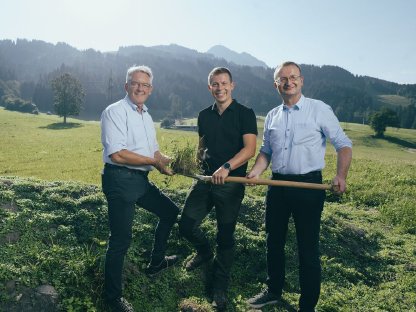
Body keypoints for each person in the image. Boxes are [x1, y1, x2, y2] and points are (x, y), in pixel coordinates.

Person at [246, 61, 352, 312]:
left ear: (301, 81)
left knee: (307, 246)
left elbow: (343, 144)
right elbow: (266, 152)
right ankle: (273, 290)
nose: (288, 81)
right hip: (277, 185)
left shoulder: (318, 109)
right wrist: (256, 171)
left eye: (293, 77)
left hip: (309, 186)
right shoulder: (272, 115)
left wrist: (340, 175)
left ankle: (307, 306)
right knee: (274, 240)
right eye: (283, 78)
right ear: (276, 85)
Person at [100, 65, 180, 312]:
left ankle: (156, 262)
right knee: (121, 239)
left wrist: (170, 162)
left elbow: (153, 152)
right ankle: (112, 298)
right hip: (119, 180)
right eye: (135, 83)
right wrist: (154, 162)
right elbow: (118, 154)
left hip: (140, 182)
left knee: (169, 212)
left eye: (145, 85)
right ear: (126, 86)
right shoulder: (114, 111)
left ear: (150, 89)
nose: (140, 88)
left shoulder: (146, 115)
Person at [178, 67, 257, 310]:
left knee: (225, 235)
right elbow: (201, 149)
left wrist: (226, 167)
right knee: (186, 225)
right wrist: (191, 166)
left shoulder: (245, 113)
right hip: (204, 181)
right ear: (209, 87)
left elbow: (249, 150)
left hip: (230, 185)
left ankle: (220, 287)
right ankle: (204, 252)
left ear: (232, 86)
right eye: (215, 84)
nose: (220, 87)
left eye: (224, 83)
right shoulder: (203, 115)